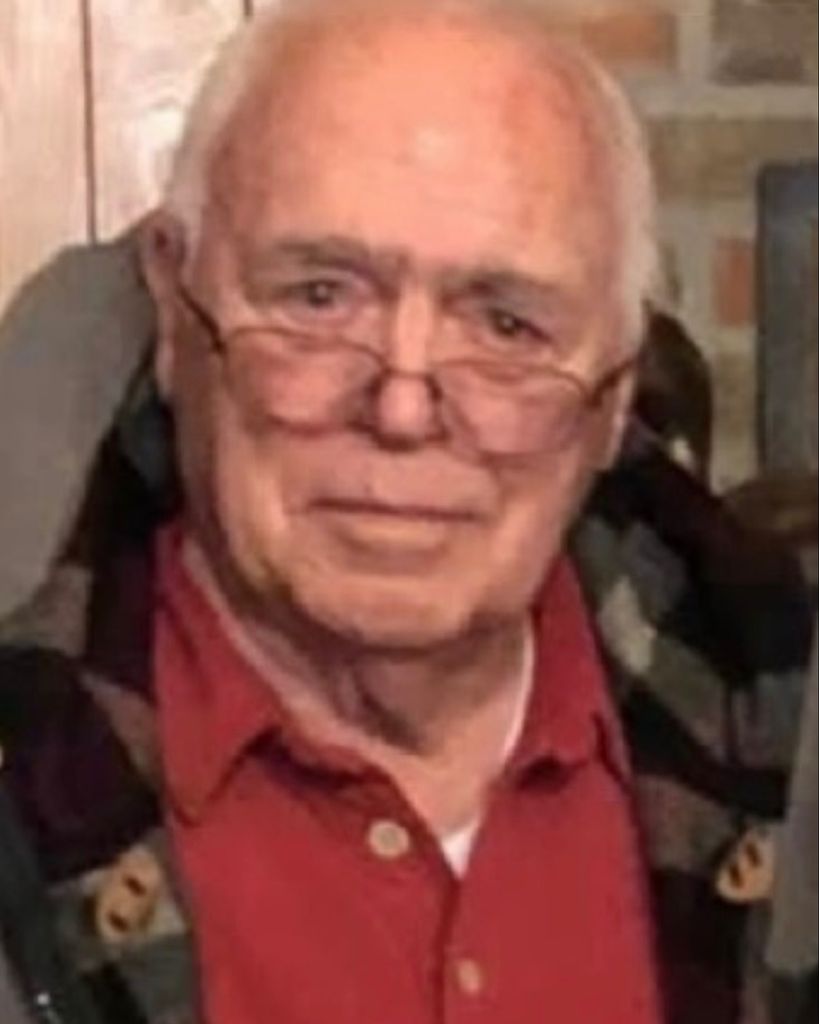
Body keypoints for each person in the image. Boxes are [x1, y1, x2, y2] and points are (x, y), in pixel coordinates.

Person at [0, 1, 812, 1022]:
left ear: (615, 388)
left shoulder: (772, 725)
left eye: (506, 324)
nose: (402, 408)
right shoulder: (36, 758)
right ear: (173, 301)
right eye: (319, 296)